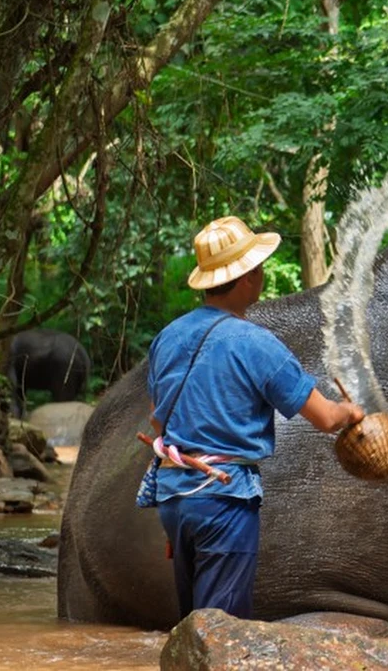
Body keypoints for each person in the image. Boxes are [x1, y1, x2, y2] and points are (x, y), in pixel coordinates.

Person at [145, 215, 363, 619]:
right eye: (258, 267)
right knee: (220, 631)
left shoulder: (167, 337)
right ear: (248, 276)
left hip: (174, 497)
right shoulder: (257, 343)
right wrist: (351, 411)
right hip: (223, 500)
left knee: (192, 624)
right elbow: (326, 419)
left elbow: (159, 424)